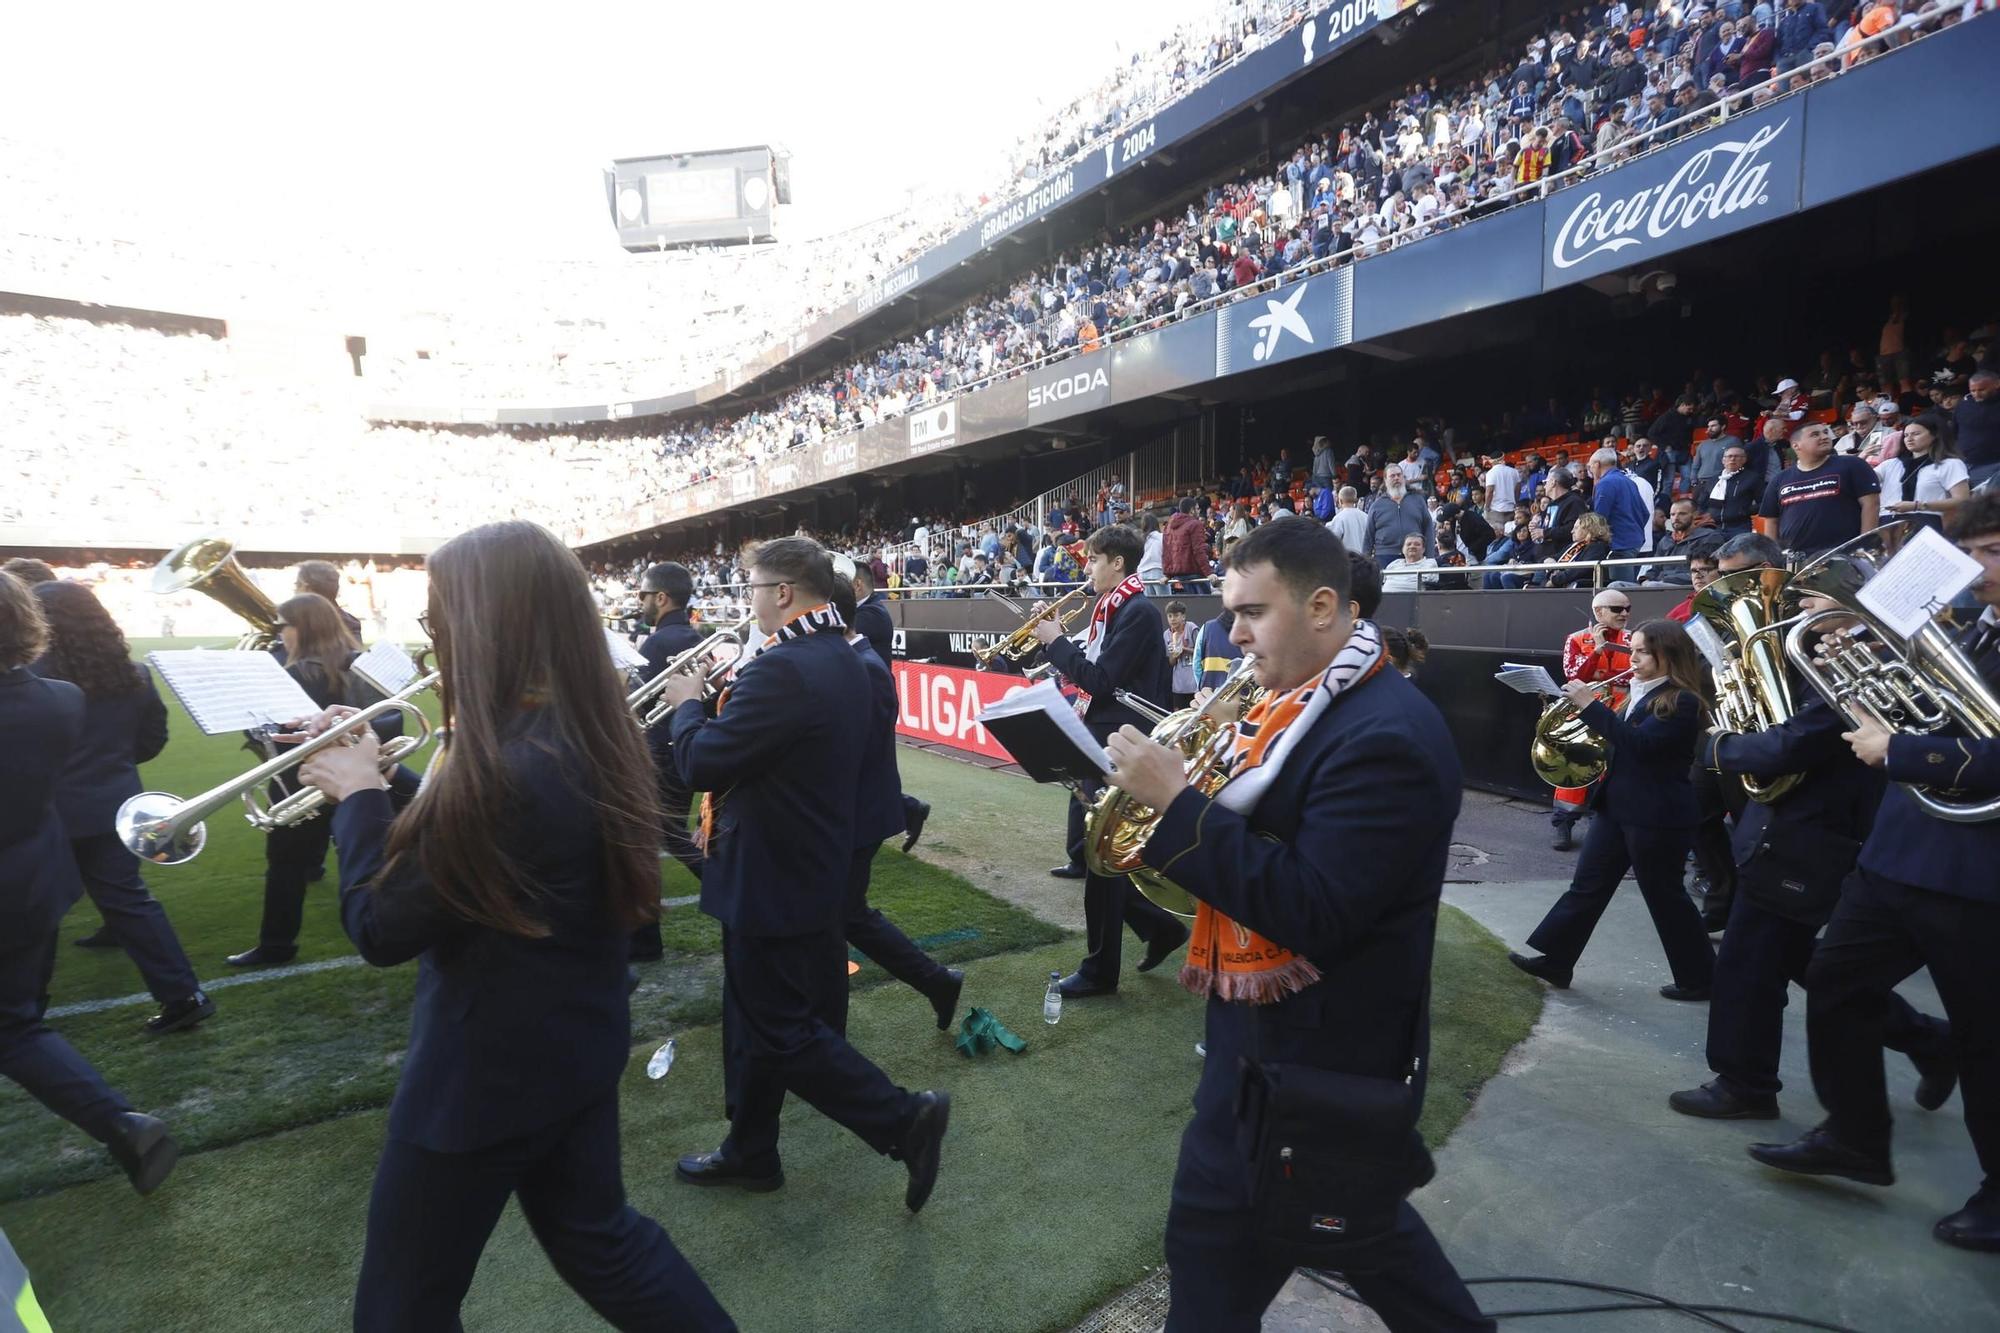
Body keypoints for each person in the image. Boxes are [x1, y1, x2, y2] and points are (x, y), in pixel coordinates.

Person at [292, 520, 734, 1330]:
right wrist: (387, 775)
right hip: (574, 1043)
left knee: (400, 1306)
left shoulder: (508, 765)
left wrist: (355, 798)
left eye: (439, 622)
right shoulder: (581, 728)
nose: (435, 644)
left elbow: (379, 926)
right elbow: (495, 836)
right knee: (606, 1244)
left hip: (480, 1076)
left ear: (486, 623)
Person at [1100, 521, 1491, 1332]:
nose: (1232, 634)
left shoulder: (1386, 734)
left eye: (1250, 612)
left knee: (1231, 1243)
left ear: (1322, 606)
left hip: (1316, 1059)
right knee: (1353, 1230)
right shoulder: (1306, 698)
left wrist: (1177, 804)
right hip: (1272, 1056)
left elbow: (1315, 909)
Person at [657, 537, 952, 1210]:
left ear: (783, 592)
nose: (748, 600)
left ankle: (903, 1118)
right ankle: (752, 1149)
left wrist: (685, 702)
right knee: (757, 1017)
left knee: (776, 1027)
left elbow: (700, 764)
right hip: (804, 863)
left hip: (769, 872)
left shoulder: (785, 667)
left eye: (753, 588)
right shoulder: (845, 657)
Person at [1748, 492, 2000, 1252]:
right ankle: (1856, 1135)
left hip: (1980, 872)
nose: (1978, 568)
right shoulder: (1965, 626)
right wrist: (1854, 673)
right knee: (1834, 983)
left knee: (1989, 1037)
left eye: (1993, 550)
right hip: (1899, 853)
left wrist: (1902, 751)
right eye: (1976, 551)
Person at [1672, 587, 1955, 1121]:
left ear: (1853, 601)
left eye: (1816, 597)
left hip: (1813, 833)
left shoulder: (1867, 662)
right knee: (1801, 961)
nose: (1800, 607)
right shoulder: (1829, 656)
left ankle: (1746, 1084)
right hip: (1796, 828)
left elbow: (1795, 743)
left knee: (1749, 962)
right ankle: (1928, 1041)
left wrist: (1718, 746)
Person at [0, 572, 178, 1195]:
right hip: (32, 879)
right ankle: (122, 1124)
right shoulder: (60, 699)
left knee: (15, 1028)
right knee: (19, 1022)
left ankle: (121, 1122)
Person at [30, 581, 213, 1034]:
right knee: (130, 902)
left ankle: (25, 1008)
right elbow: (151, 740)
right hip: (117, 804)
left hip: (49, 809)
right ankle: (183, 995)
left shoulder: (30, 676)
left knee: (40, 909)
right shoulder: (132, 673)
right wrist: (108, 765)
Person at [1511, 620, 1718, 999]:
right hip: (1618, 806)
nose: (1632, 657)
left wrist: (1591, 707)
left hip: (1658, 815)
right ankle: (1557, 961)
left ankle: (1701, 978)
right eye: (1633, 649)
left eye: (1641, 651)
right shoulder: (1638, 690)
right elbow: (1617, 744)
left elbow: (1641, 746)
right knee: (1588, 887)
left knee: (1665, 896)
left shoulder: (1683, 700)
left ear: (1666, 655)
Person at [1031, 524, 1189, 995]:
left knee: (1101, 860)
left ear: (1117, 563)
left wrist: (1055, 643)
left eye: (1094, 559)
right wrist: (1053, 639)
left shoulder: (1136, 611)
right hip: (1103, 738)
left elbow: (1099, 682)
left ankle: (1102, 970)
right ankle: (1159, 929)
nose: (1087, 567)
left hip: (1119, 742)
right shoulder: (1113, 609)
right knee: (1089, 852)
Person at [828, 563, 963, 1030]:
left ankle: (936, 981)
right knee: (844, 918)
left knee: (847, 917)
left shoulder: (862, 665)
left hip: (855, 818)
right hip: (854, 815)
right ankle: (936, 982)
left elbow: (852, 756)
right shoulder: (855, 660)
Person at [227, 593, 381, 967]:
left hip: (305, 779)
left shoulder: (293, 674)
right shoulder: (359, 662)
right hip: (361, 774)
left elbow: (273, 735)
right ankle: (372, 923)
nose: (279, 634)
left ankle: (276, 945)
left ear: (304, 628)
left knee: (284, 864)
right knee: (365, 850)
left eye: (284, 626)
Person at [630, 561, 705, 963]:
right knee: (665, 834)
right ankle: (645, 938)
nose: (639, 602)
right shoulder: (693, 636)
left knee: (653, 837)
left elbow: (636, 704)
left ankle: (645, 940)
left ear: (660, 598)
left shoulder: (657, 644)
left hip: (661, 752)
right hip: (683, 749)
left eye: (643, 594)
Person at [846, 560, 929, 853]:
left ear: (857, 585)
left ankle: (907, 809)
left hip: (873, 699)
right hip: (866, 696)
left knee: (870, 769)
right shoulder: (867, 611)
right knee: (867, 769)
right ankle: (909, 809)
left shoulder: (871, 614)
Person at [1549, 590, 1634, 852]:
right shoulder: (1575, 639)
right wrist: (1596, 652)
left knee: (1611, 770)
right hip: (1583, 713)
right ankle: (1563, 823)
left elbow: (1636, 675)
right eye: (1617, 609)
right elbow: (1575, 676)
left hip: (1621, 711)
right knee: (1575, 766)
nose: (1625, 614)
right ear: (1599, 612)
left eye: (1627, 608)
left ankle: (1603, 826)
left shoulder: (1633, 639)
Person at [1757, 417, 1881, 555]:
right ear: (1796, 445)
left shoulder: (1852, 464)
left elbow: (1871, 505)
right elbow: (1772, 522)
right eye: (1815, 434)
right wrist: (1773, 559)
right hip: (1797, 560)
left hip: (1846, 555)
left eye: (1825, 433)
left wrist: (1864, 545)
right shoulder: (1779, 480)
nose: (1824, 437)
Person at [1877, 412, 1971, 536]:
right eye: (1906, 435)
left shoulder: (1950, 464)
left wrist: (1917, 506)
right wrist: (1861, 457)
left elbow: (1962, 500)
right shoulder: (1889, 464)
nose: (1909, 439)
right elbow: (1862, 480)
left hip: (1927, 522)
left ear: (1935, 435)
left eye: (1916, 434)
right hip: (1888, 522)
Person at [1698, 444, 1761, 534]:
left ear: (1744, 460)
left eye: (1736, 456)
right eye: (1729, 456)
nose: (1732, 459)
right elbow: (1702, 502)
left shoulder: (1752, 478)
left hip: (1739, 527)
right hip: (1713, 527)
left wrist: (1744, 511)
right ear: (1723, 460)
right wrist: (1706, 515)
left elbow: (1763, 502)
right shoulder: (1714, 479)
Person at [1165, 600, 1197, 710]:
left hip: (1195, 685)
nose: (1173, 619)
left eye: (1176, 615)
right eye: (1170, 616)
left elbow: (1201, 651)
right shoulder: (1166, 635)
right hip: (1179, 686)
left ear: (1183, 616)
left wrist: (1183, 649)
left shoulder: (1191, 628)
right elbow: (1171, 663)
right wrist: (1175, 654)